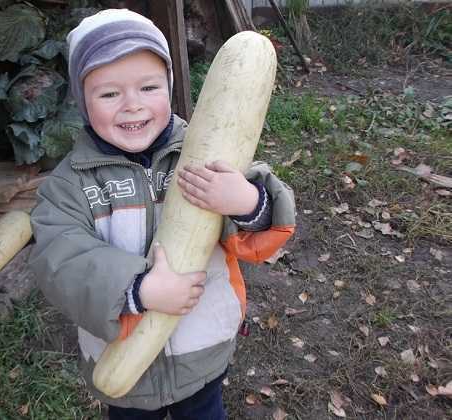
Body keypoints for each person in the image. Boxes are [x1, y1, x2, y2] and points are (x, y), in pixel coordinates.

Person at [29, 9, 296, 420]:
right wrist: (137, 289)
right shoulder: (70, 184)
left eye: (149, 87)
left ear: (169, 87)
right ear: (82, 103)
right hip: (124, 366)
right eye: (109, 94)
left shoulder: (206, 153)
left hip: (201, 352)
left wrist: (245, 201)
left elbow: (262, 231)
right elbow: (58, 259)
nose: (132, 105)